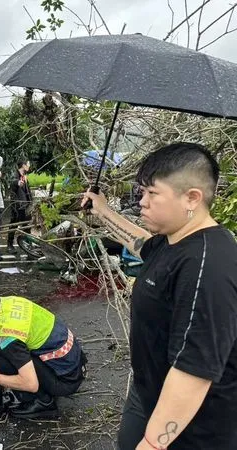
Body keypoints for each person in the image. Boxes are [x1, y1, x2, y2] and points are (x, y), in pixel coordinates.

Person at [81, 142, 237, 450]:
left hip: (192, 425)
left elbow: (194, 370)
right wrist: (102, 209)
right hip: (149, 393)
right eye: (142, 192)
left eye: (152, 194)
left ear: (192, 197)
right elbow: (138, 241)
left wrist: (153, 443)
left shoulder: (208, 266)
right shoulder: (173, 240)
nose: (142, 202)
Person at [0, 283, 86, 419]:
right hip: (75, 365)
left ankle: (43, 402)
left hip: (66, 381)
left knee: (0, 349)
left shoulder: (10, 337)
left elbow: (31, 384)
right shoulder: (8, 302)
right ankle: (45, 389)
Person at [7, 160, 33, 254]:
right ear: (23, 165)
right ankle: (9, 245)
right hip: (17, 205)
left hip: (25, 204)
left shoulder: (24, 176)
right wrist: (18, 183)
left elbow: (27, 190)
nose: (29, 166)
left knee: (27, 225)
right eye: (28, 164)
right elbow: (13, 183)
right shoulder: (15, 176)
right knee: (13, 224)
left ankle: (28, 244)